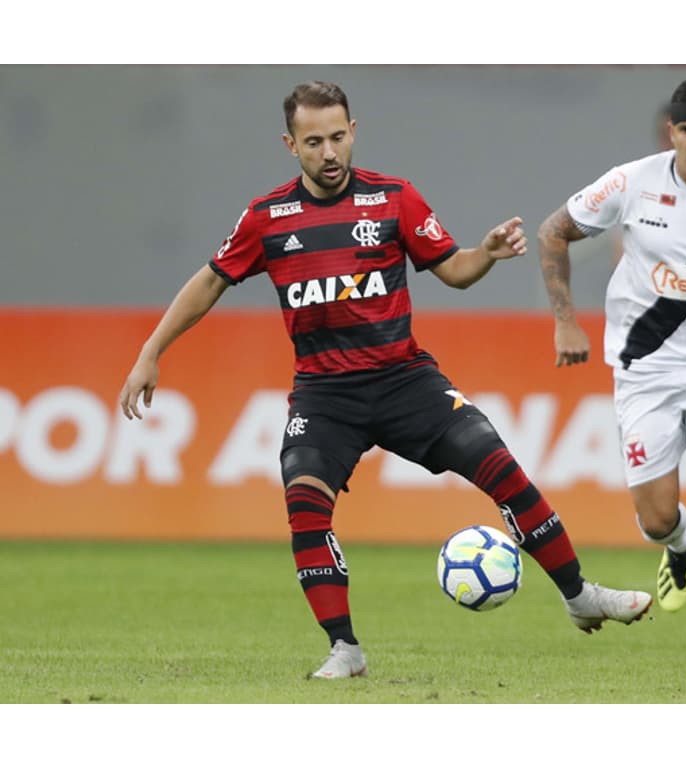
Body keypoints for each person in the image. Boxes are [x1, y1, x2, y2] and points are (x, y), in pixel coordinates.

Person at [118, 81, 652, 680]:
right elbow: (212, 280)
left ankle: (579, 595)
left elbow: (453, 270)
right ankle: (345, 650)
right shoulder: (267, 218)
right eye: (313, 141)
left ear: (353, 132)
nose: (329, 153)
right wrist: (150, 352)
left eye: (338, 137)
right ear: (290, 144)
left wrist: (487, 251)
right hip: (324, 396)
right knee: (304, 504)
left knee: (501, 468)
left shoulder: (394, 199)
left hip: (406, 382)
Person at [536, 76, 686, 660]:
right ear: (672, 132)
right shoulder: (631, 183)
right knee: (654, 519)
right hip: (642, 369)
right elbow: (553, 232)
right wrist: (566, 319)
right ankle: (680, 540)